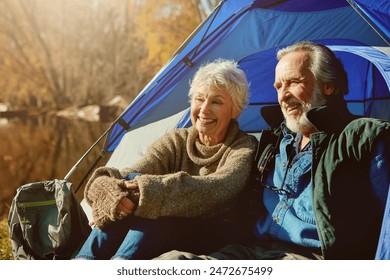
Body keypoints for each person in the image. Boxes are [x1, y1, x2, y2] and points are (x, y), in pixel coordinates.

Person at [155, 41, 390, 260]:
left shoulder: (363, 137)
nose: (283, 96)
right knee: (171, 263)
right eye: (278, 86)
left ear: (327, 86)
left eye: (293, 82)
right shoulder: (275, 140)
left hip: (310, 259)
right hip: (253, 252)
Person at [74, 58, 258, 260]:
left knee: (160, 203)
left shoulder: (243, 147)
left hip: (209, 234)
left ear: (236, 109)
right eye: (199, 99)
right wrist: (106, 188)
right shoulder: (177, 140)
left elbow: (217, 189)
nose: (204, 110)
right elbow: (134, 173)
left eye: (216, 102)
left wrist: (146, 190)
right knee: (127, 191)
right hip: (159, 232)